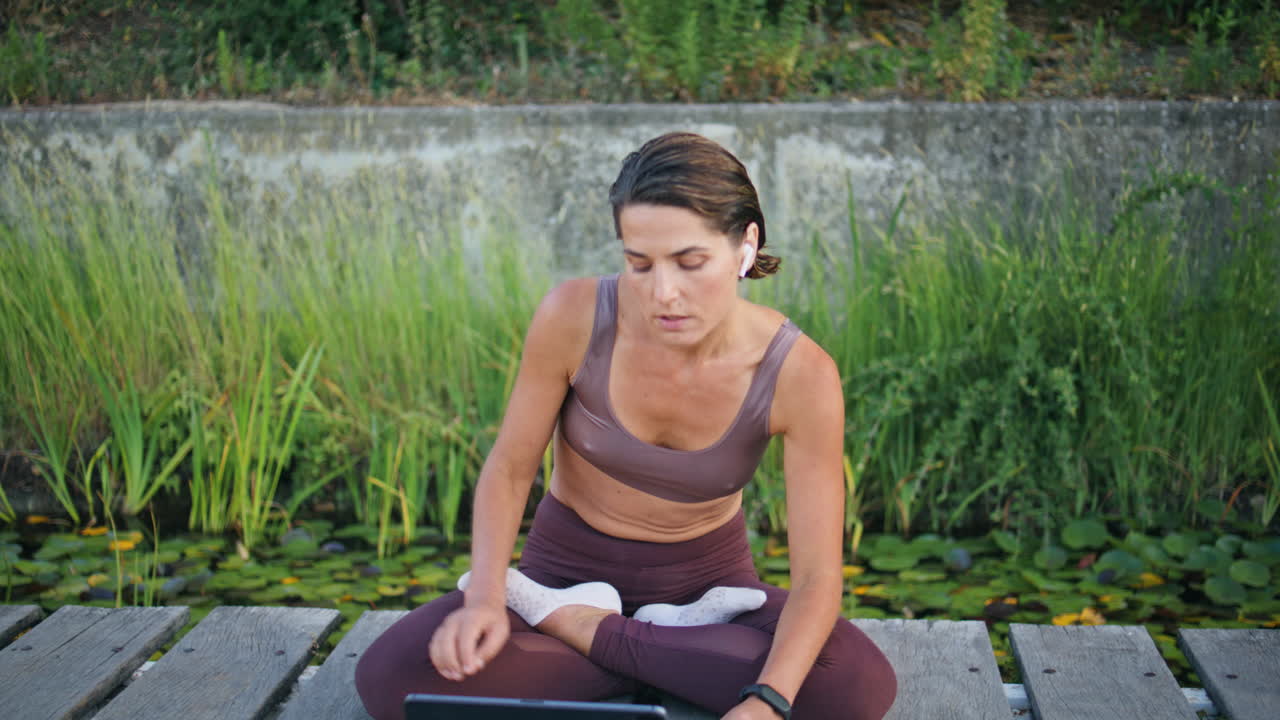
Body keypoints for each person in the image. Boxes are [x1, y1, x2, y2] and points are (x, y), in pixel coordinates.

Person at [354, 132, 897, 720]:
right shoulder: (573, 317)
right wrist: (485, 599)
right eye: (639, 264)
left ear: (746, 245)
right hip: (560, 572)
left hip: (708, 594)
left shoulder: (801, 373)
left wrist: (767, 702)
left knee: (855, 687)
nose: (664, 293)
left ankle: (583, 633)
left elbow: (817, 577)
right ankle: (673, 668)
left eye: (690, 263)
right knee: (391, 677)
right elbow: (510, 470)